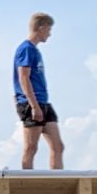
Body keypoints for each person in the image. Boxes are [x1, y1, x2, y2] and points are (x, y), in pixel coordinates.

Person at [12, 13, 62, 170]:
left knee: (57, 146)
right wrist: (33, 106)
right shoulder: (26, 49)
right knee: (31, 147)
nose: (50, 34)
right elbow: (23, 78)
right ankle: (24, 181)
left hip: (43, 101)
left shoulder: (35, 51)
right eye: (49, 29)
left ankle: (58, 181)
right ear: (41, 28)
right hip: (32, 103)